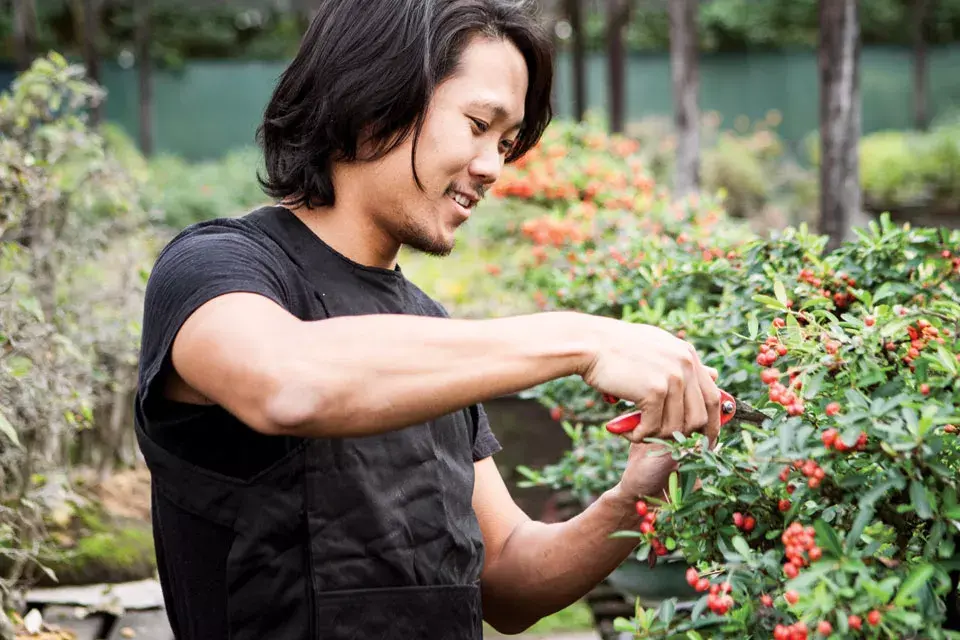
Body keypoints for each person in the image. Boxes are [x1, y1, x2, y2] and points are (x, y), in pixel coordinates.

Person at [133, 1, 723, 638]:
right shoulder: (216, 267)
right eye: (477, 125)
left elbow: (507, 579)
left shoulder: (427, 328)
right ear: (373, 99)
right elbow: (285, 382)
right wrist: (582, 338)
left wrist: (637, 496)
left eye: (505, 143)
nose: (493, 167)